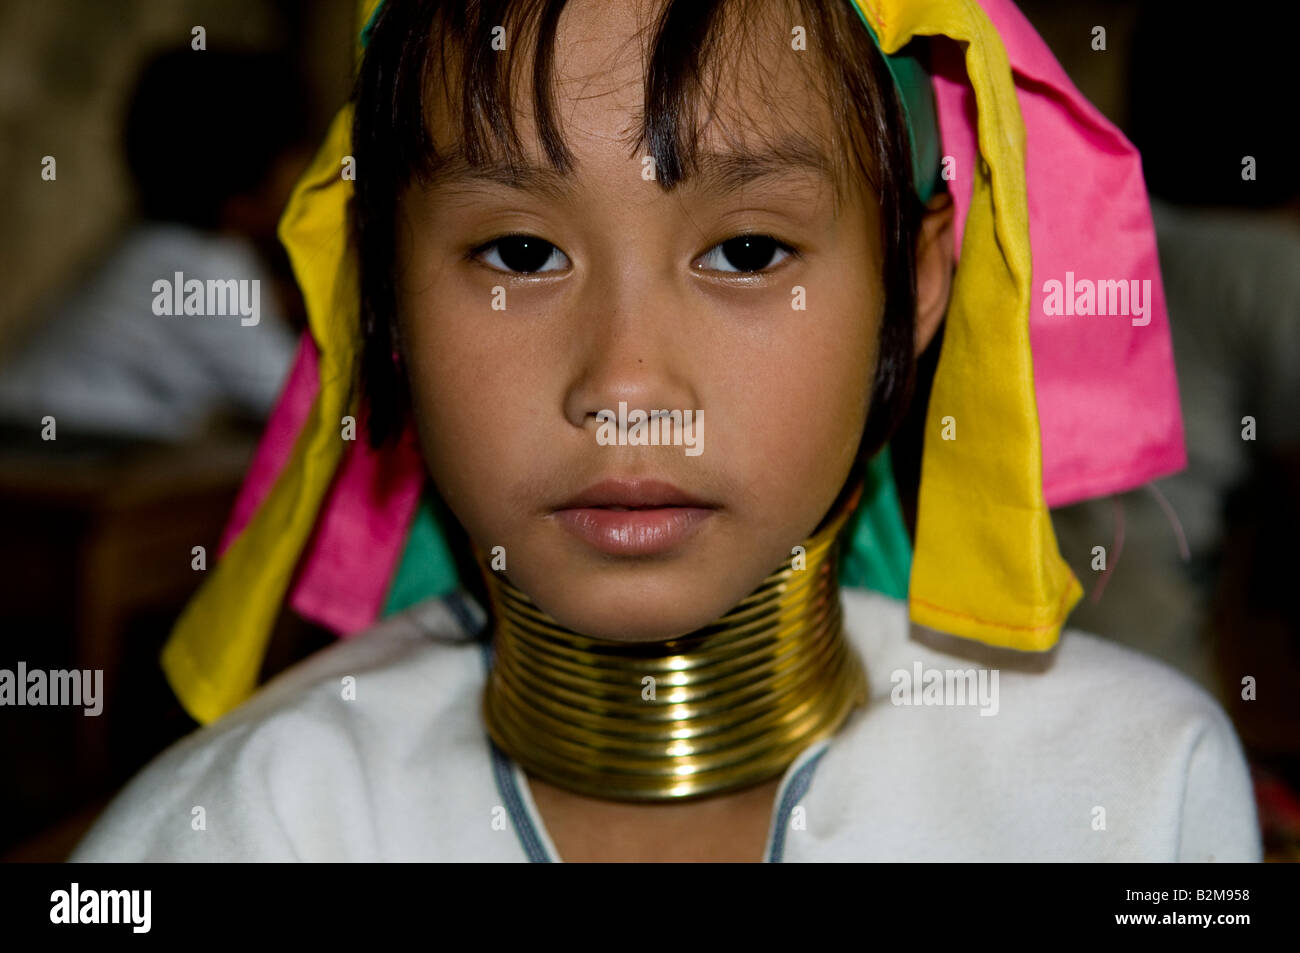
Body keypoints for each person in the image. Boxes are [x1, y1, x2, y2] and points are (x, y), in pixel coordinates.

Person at [69, 0, 1260, 862]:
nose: (627, 384)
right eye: (518, 252)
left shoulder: (1133, 790)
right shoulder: (238, 828)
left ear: (914, 283)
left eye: (747, 252)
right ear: (383, 296)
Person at [0, 49, 306, 443]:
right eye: (301, 160)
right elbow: (297, 403)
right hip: (44, 457)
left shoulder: (152, 247)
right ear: (246, 189)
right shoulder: (203, 269)